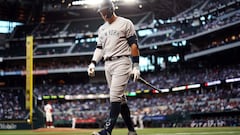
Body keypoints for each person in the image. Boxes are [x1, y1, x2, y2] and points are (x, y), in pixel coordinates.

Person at [87, 0, 140, 135]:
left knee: (114, 96)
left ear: (111, 9)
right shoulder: (102, 29)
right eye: (101, 12)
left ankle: (107, 131)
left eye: (104, 11)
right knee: (121, 99)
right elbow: (99, 49)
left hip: (122, 62)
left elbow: (133, 45)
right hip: (108, 64)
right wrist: (93, 63)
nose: (102, 14)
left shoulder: (125, 23)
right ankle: (132, 131)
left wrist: (136, 65)